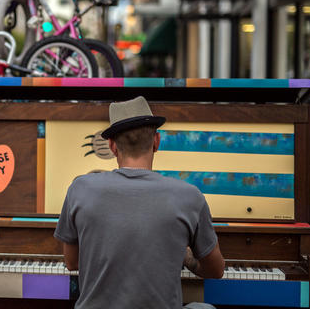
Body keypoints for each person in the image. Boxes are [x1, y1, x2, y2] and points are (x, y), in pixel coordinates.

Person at [54, 96, 225, 309]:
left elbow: (72, 262)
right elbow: (216, 271)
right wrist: (185, 255)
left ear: (112, 146)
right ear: (156, 142)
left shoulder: (79, 188)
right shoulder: (189, 196)